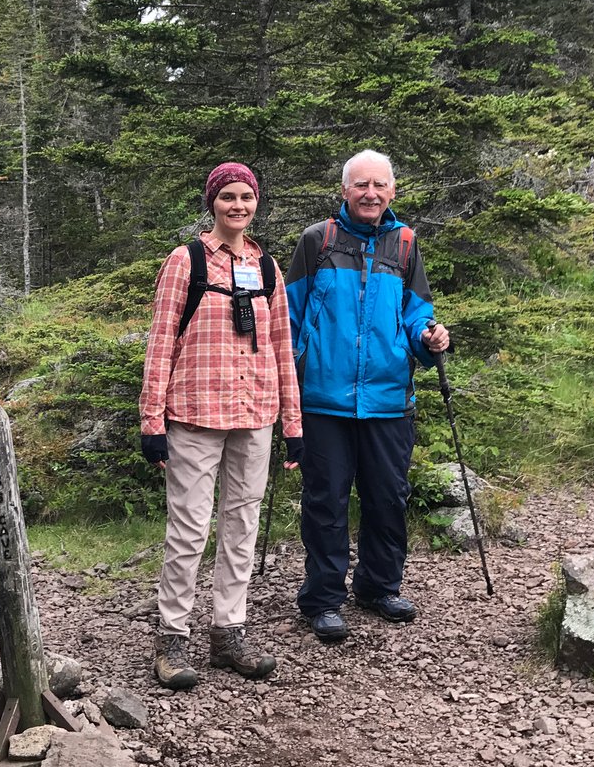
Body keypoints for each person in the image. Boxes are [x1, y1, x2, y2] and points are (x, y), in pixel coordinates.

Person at [138, 162, 304, 689]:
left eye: (246, 197)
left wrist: (293, 424)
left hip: (256, 414)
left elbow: (282, 349)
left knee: (242, 527)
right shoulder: (184, 261)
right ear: (212, 202)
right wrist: (151, 420)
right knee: (188, 530)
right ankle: (171, 639)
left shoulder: (269, 268)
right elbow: (161, 341)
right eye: (228, 197)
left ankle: (228, 632)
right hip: (194, 413)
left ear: (257, 202)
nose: (238, 206)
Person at [285, 150, 450, 642]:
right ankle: (323, 598)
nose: (370, 193)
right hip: (323, 398)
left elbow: (417, 311)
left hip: (388, 399)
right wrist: (286, 389)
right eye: (361, 185)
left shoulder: (404, 244)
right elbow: (289, 319)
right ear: (345, 191)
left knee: (387, 497)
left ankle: (378, 587)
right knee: (326, 501)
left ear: (392, 192)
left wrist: (429, 337)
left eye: (379, 185)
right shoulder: (317, 241)